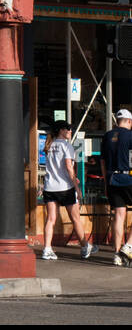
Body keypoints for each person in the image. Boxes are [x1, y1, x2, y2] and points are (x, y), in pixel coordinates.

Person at [40, 120, 96, 261]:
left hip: (50, 187)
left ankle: (47, 249)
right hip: (65, 187)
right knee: (75, 218)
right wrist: (77, 187)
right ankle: (84, 247)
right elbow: (68, 167)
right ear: (61, 131)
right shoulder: (66, 146)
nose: (70, 131)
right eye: (68, 129)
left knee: (51, 219)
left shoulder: (49, 145)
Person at [102, 110, 132, 265]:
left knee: (119, 215)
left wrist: (106, 181)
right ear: (128, 121)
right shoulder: (130, 135)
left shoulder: (107, 136)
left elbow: (103, 161)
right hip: (128, 177)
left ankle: (116, 255)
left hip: (112, 179)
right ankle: (128, 246)